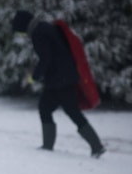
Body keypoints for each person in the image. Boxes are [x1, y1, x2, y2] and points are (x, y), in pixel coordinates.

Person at [11, 10, 105, 158]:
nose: (22, 35)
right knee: (49, 108)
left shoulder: (38, 33)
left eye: (20, 31)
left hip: (60, 80)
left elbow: (46, 58)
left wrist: (35, 76)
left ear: (23, 26)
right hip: (62, 78)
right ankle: (52, 146)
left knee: (68, 111)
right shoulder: (43, 27)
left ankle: (96, 146)